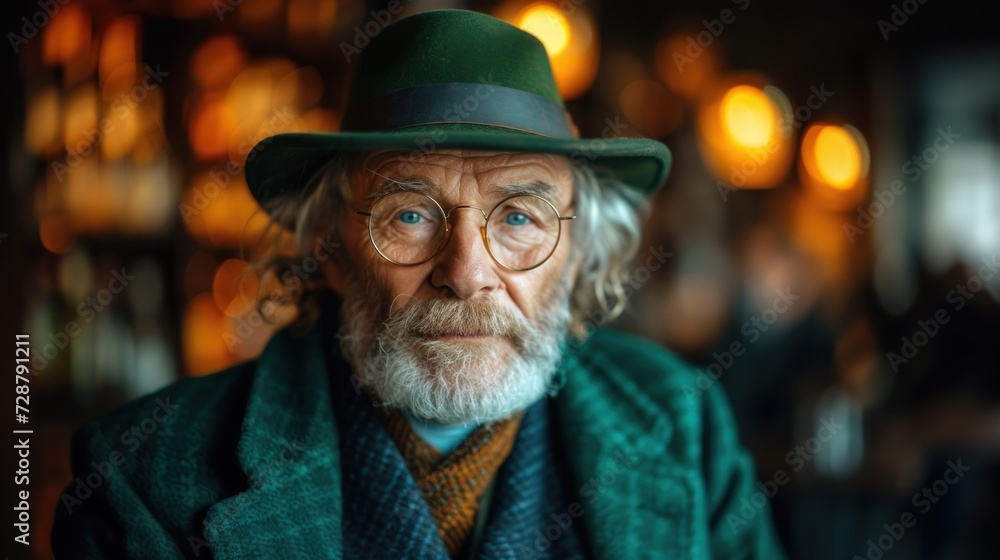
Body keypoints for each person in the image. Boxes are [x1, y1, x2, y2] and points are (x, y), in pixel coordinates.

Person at [52, 9, 784, 559]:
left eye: (521, 218)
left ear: (581, 250)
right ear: (328, 245)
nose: (466, 274)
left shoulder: (684, 424)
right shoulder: (142, 475)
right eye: (409, 213)